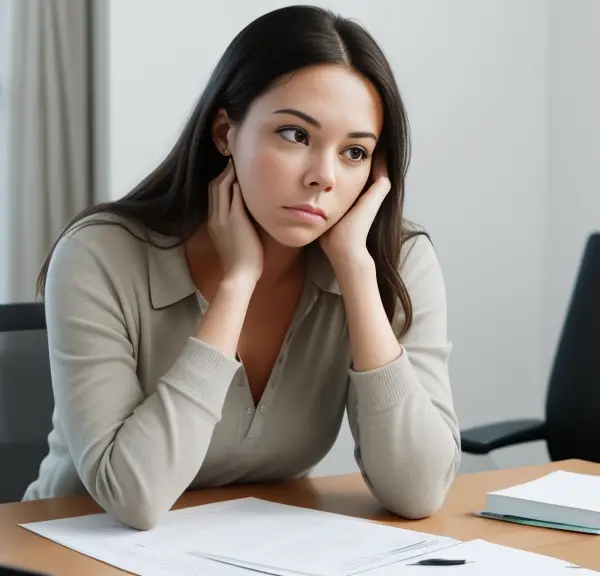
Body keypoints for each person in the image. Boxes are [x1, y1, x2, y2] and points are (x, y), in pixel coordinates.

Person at [23, 5, 460, 530]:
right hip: (70, 549)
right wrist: (235, 286)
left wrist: (358, 275)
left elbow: (419, 491)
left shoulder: (395, 262)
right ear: (226, 132)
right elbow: (133, 496)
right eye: (296, 135)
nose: (324, 176)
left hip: (253, 552)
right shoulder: (99, 256)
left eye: (354, 152)